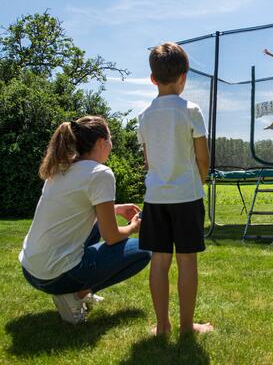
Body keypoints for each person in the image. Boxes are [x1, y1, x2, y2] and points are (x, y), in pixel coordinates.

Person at [19, 116, 151, 324]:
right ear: (101, 142)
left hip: (31, 269)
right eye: (110, 139)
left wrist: (115, 209)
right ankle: (76, 295)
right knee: (144, 250)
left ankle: (73, 289)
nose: (111, 145)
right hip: (54, 275)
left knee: (98, 224)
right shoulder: (100, 174)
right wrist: (134, 227)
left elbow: (75, 209)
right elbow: (112, 237)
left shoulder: (60, 168)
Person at [138, 42, 213, 336]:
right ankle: (185, 326)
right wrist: (199, 181)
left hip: (155, 199)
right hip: (187, 197)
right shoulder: (191, 110)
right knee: (187, 262)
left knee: (159, 261)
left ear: (153, 78)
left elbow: (148, 162)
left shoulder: (144, 116)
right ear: (184, 76)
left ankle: (163, 326)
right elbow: (203, 158)